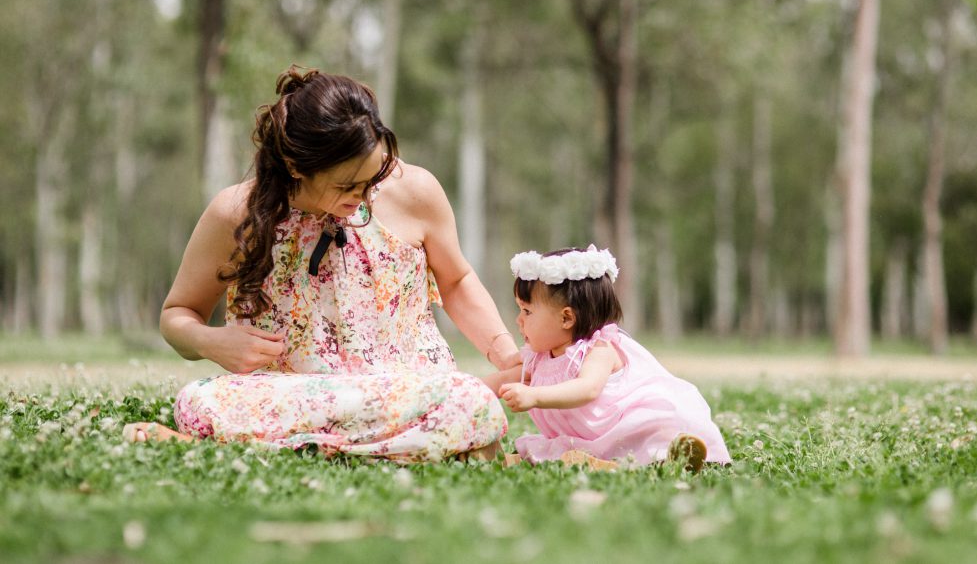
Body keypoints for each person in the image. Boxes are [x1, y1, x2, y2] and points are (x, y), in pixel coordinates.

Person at [123, 65, 519, 462]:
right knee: (199, 401)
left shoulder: (415, 191)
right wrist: (212, 342)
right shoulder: (234, 213)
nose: (364, 196)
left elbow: (457, 282)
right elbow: (177, 314)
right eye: (347, 186)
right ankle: (405, 450)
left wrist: (506, 355)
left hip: (405, 391)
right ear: (296, 166)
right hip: (293, 396)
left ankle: (282, 450)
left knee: (467, 398)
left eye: (373, 177)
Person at [483, 245, 731, 471]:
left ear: (567, 318)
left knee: (650, 438)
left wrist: (534, 396)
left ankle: (675, 455)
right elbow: (503, 379)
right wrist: (465, 388)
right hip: (588, 439)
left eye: (527, 311)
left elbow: (587, 388)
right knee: (561, 453)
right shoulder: (537, 359)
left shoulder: (598, 350)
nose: (519, 320)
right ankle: (601, 462)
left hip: (622, 427)